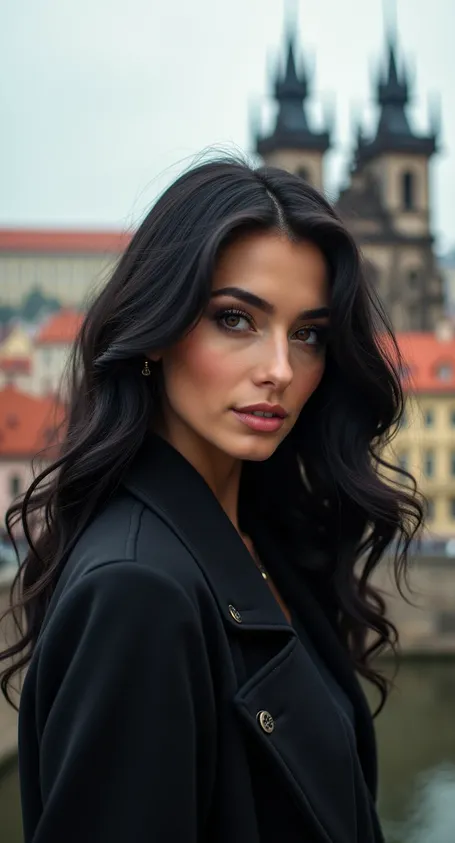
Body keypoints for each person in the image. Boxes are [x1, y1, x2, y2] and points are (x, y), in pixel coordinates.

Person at [0, 158, 422, 843]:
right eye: (235, 319)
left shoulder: (262, 533)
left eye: (309, 333)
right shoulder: (138, 591)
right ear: (157, 331)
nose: (280, 369)